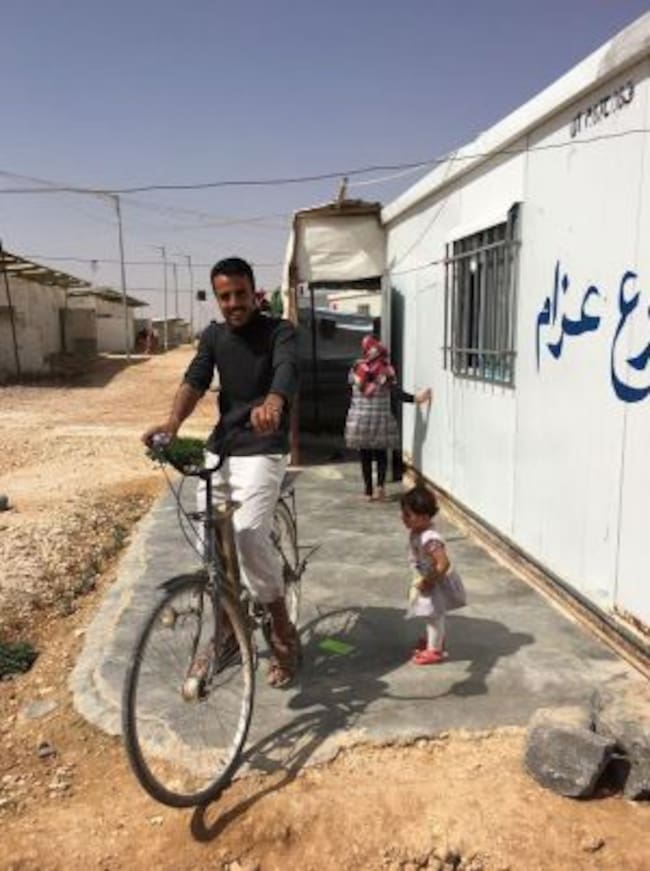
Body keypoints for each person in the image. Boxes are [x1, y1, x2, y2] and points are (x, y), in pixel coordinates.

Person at [142, 256, 300, 688]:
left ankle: (282, 627)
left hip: (265, 445)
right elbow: (195, 379)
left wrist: (274, 403)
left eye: (240, 294)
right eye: (225, 296)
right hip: (225, 446)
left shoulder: (278, 331)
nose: (233, 303)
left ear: (254, 292)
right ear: (217, 298)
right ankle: (228, 631)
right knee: (211, 541)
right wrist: (172, 425)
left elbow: (286, 370)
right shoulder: (213, 336)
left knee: (248, 534)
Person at [344, 335, 431, 501]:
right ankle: (380, 488)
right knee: (381, 454)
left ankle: (368, 492)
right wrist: (415, 399)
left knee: (365, 455)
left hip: (360, 419)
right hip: (380, 418)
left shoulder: (356, 368)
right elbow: (396, 393)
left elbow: (350, 387)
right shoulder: (386, 370)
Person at [400, 485, 467, 665]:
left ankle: (435, 650)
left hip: (435, 580)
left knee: (433, 615)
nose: (403, 518)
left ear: (424, 516)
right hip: (427, 577)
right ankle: (435, 640)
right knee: (430, 614)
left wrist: (429, 581)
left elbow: (443, 563)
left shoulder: (430, 538)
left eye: (408, 515)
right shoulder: (418, 531)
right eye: (403, 513)